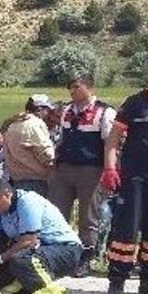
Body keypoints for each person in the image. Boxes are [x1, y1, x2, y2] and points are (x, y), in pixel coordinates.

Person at [0, 177, 83, 294]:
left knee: (23, 261)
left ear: (6, 194)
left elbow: (28, 241)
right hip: (38, 250)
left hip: (65, 250)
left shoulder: (27, 202)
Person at [101, 55, 148, 294]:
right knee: (126, 229)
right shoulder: (135, 103)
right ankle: (117, 280)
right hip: (136, 177)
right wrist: (110, 168)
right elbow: (113, 139)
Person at [49, 75, 116, 277]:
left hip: (91, 169)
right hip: (65, 168)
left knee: (88, 217)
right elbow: (61, 138)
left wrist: (109, 170)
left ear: (88, 87)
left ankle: (85, 259)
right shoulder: (67, 110)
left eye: (76, 87)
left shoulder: (104, 111)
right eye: (70, 88)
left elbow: (110, 143)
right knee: (57, 213)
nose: (72, 91)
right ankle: (58, 256)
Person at [3, 94, 55, 195]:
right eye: (47, 110)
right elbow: (46, 153)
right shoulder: (35, 124)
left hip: (17, 179)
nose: (48, 114)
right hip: (36, 180)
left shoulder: (13, 124)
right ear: (39, 109)